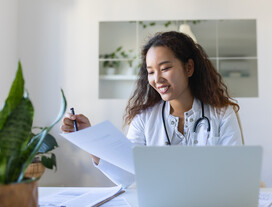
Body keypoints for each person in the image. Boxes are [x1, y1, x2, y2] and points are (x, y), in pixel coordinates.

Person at [61, 31, 243, 187]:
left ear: (189, 68)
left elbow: (235, 173)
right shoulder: (144, 118)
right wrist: (90, 139)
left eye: (165, 68)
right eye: (150, 71)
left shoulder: (222, 114)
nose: (157, 79)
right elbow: (126, 175)